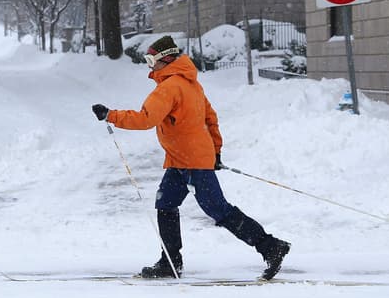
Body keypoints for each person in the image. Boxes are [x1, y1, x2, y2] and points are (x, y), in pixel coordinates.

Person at [91, 35, 290, 280]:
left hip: (192, 162)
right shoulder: (192, 84)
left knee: (219, 210)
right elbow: (211, 119)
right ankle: (170, 262)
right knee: (165, 204)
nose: (149, 65)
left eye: (151, 59)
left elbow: (145, 118)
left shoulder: (170, 87)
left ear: (166, 59)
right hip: (180, 161)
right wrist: (215, 151)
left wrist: (111, 115)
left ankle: (270, 247)